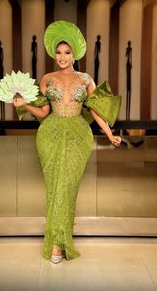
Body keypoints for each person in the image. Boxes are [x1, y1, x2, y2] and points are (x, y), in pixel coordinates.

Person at [13, 21, 121, 264]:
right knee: (54, 189)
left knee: (67, 187)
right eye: (59, 52)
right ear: (54, 53)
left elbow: (95, 110)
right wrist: (25, 105)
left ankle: (59, 242)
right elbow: (43, 113)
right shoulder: (47, 78)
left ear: (75, 53)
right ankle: (56, 245)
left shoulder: (86, 79)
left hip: (77, 136)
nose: (62, 57)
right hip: (49, 135)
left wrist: (108, 132)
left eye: (67, 52)